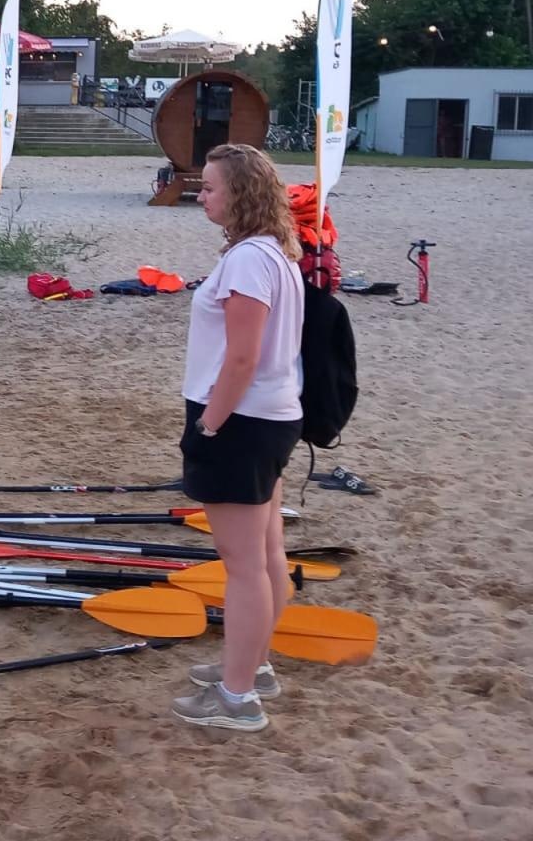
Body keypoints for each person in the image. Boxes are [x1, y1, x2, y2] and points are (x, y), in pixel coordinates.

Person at [171, 144, 304, 732]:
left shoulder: (252, 260)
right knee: (266, 553)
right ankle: (255, 666)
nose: (202, 195)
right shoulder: (273, 253)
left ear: (241, 195)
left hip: (242, 420)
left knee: (243, 564)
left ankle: (237, 697)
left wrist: (209, 425)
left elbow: (243, 357)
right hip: (270, 416)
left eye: (211, 187)